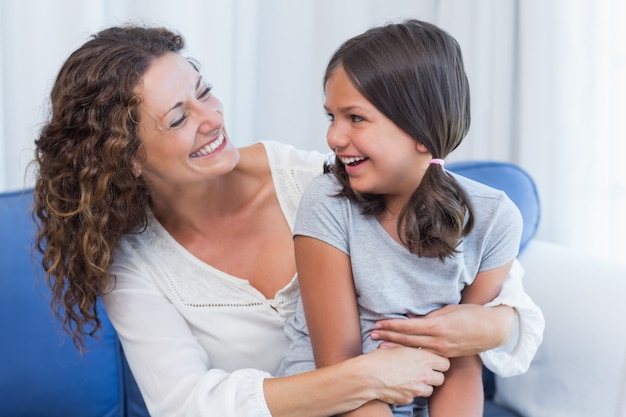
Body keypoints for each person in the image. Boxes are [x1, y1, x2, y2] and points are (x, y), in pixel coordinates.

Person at [32, 24, 543, 417]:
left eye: (203, 91)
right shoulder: (133, 261)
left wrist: (496, 323)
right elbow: (188, 404)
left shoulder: (313, 178)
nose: (211, 118)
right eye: (179, 118)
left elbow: (479, 272)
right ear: (128, 159)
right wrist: (368, 378)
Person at [278, 19, 530, 417]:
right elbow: (339, 367)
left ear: (421, 130)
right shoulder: (327, 203)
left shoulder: (495, 218)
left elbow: (463, 360)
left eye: (355, 118)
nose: (334, 137)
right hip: (337, 398)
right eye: (332, 117)